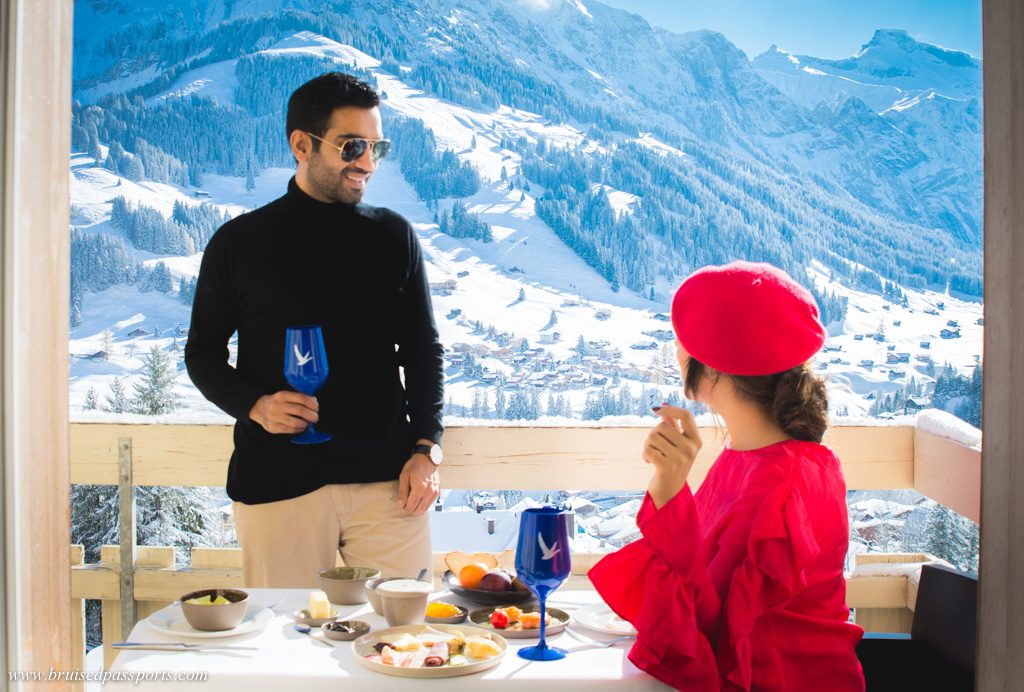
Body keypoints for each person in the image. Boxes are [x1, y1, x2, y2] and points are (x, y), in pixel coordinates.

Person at [184, 72, 444, 587]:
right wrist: (255, 405)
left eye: (377, 147)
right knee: (285, 655)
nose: (367, 163)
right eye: (352, 146)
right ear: (302, 144)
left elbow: (422, 349)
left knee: (404, 641)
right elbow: (203, 354)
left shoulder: (393, 236)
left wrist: (426, 447)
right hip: (280, 487)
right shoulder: (239, 244)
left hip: (389, 487)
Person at [589, 261, 865, 691]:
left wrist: (668, 492)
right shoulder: (763, 455)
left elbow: (708, 635)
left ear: (716, 363)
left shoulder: (779, 485)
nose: (676, 351)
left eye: (683, 338)